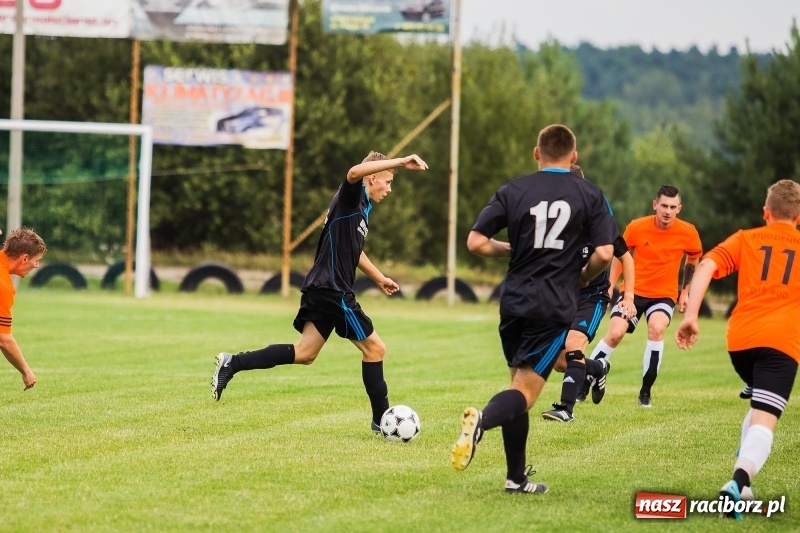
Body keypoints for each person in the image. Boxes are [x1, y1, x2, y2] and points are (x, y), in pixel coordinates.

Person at [450, 124, 616, 494]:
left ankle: (516, 478)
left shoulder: (514, 189)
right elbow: (606, 253)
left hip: (512, 301)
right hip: (552, 303)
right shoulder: (590, 194)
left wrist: (511, 250)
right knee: (524, 392)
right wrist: (584, 277)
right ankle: (482, 421)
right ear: (573, 156)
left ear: (536, 153)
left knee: (517, 384)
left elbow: (475, 242)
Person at [211, 152, 429, 433]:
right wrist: (400, 162)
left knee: (305, 353)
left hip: (322, 287)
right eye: (387, 182)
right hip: (333, 289)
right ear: (372, 177)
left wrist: (379, 278)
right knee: (375, 349)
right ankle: (381, 421)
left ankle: (233, 363)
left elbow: (354, 250)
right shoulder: (352, 195)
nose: (389, 189)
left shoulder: (362, 207)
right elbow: (353, 172)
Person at [675, 179, 800, 520]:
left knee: (759, 402)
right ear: (798, 217)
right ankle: (737, 484)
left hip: (741, 342)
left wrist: (690, 315)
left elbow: (706, 265)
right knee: (765, 419)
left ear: (766, 212)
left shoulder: (747, 238)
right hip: (781, 343)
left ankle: (744, 491)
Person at [587, 185, 702, 407]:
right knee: (615, 333)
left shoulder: (688, 232)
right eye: (664, 206)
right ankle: (586, 381)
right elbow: (620, 255)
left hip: (663, 296)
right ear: (655, 205)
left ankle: (645, 393)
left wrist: (685, 291)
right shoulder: (637, 227)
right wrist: (610, 285)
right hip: (632, 292)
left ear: (679, 208)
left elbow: (693, 257)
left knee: (657, 329)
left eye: (673, 207)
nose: (667, 211)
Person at [541, 164, 636, 423]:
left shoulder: (599, 221)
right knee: (560, 361)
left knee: (574, 344)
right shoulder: (554, 220)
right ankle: (597, 367)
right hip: (563, 295)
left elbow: (626, 258)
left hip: (592, 296)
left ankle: (566, 409)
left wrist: (628, 297)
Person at [0, 227, 47, 391]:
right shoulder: (3, 286)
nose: (37, 266)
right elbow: (4, 340)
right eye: (37, 260)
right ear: (24, 258)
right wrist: (26, 371)